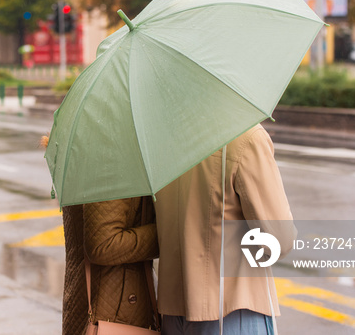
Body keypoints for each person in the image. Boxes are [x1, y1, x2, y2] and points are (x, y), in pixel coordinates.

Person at [154, 124, 297, 335]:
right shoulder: (246, 136)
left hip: (173, 311)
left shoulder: (163, 139)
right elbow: (279, 241)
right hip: (233, 309)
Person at [41, 137, 160, 335]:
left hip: (99, 305)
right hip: (115, 313)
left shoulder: (86, 144)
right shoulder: (110, 155)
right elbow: (104, 244)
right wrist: (167, 233)